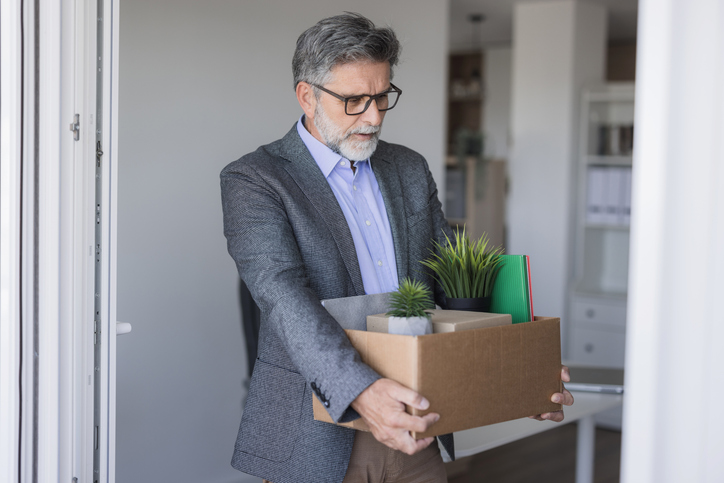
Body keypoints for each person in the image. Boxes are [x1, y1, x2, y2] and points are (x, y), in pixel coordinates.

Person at [220, 13, 574, 483]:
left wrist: (518, 368)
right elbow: (282, 296)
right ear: (307, 96)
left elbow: (454, 279)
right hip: (315, 432)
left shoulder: (408, 167)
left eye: (382, 96)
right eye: (353, 100)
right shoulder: (256, 179)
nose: (373, 116)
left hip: (419, 420)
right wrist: (362, 391)